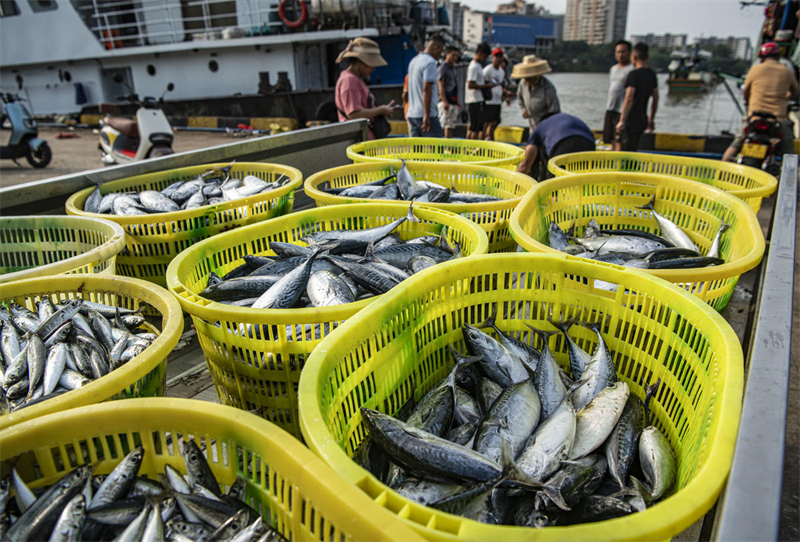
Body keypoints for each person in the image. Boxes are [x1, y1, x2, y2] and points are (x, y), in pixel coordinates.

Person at [722, 42, 798, 162]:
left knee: (733, 149)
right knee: (790, 156)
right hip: (778, 119)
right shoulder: (787, 71)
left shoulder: (755, 69)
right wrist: (786, 97)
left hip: (754, 118)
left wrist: (748, 103)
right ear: (779, 56)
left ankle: (723, 170)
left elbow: (746, 91)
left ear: (761, 57)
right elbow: (794, 92)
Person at [335, 38, 399, 140]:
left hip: (366, 138)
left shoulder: (355, 79)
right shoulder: (349, 80)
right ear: (360, 61)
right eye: (371, 64)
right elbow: (354, 114)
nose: (373, 69)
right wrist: (379, 110)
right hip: (359, 141)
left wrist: (383, 110)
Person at [516, 112, 595, 179]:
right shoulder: (566, 117)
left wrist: (517, 183)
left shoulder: (540, 126)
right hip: (589, 144)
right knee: (582, 179)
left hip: (563, 144)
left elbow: (526, 164)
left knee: (554, 186)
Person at [616, 42, 658, 152]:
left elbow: (629, 98)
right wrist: (651, 119)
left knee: (626, 150)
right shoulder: (652, 75)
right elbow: (655, 99)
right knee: (634, 148)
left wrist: (622, 120)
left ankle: (626, 169)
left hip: (631, 119)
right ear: (647, 57)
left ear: (633, 57)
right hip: (642, 118)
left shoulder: (634, 75)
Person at [407, 35, 446, 138]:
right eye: (440, 51)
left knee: (416, 152)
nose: (440, 55)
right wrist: (427, 115)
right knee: (437, 151)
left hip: (412, 114)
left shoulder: (413, 61)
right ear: (435, 47)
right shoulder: (430, 62)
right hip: (427, 115)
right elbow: (426, 89)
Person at [512, 55, 560, 129]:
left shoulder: (547, 86)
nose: (527, 79)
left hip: (547, 126)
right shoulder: (523, 83)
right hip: (532, 124)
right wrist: (524, 109)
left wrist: (546, 123)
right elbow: (519, 97)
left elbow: (554, 109)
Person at [604, 40, 634, 151]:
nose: (620, 54)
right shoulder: (613, 69)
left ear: (629, 52)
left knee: (619, 140)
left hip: (621, 110)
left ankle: (618, 166)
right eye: (618, 52)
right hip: (610, 108)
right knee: (610, 139)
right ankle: (612, 165)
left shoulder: (632, 70)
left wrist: (623, 118)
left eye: (623, 52)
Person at [465, 42, 495, 140]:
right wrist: (486, 86)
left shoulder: (477, 66)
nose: (485, 59)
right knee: (475, 128)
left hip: (476, 99)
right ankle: (471, 149)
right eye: (485, 57)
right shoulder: (474, 66)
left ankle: (468, 147)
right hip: (475, 100)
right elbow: (470, 84)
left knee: (474, 126)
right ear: (480, 54)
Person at [482, 48, 507, 141]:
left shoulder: (501, 71)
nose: (498, 59)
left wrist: (505, 95)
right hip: (489, 100)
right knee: (486, 123)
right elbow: (482, 82)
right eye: (496, 56)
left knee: (495, 121)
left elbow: (500, 85)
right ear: (492, 57)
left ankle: (489, 139)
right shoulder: (487, 70)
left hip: (497, 100)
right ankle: (482, 141)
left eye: (500, 57)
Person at [437, 45, 460, 138]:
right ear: (447, 54)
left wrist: (457, 101)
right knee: (442, 123)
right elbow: (440, 84)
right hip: (445, 100)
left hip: (453, 99)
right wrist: (444, 101)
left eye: (456, 56)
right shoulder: (443, 67)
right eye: (453, 55)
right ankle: (439, 145)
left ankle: (447, 146)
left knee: (450, 124)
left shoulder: (453, 68)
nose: (455, 58)